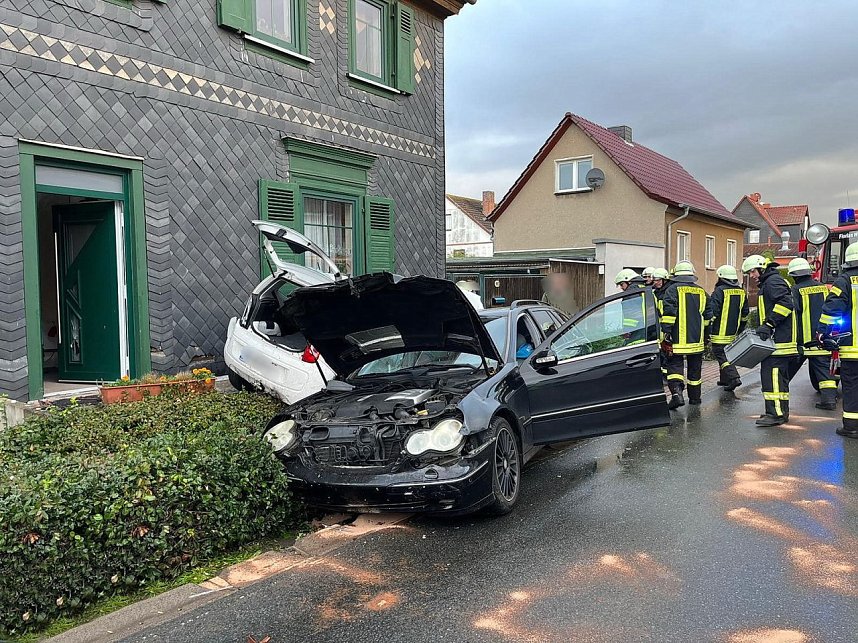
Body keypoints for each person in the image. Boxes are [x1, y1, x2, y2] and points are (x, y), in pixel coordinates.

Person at [741, 254, 797, 427]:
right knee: (778, 380)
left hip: (778, 342)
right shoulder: (772, 282)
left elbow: (786, 303)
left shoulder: (772, 283)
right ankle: (779, 411)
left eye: (752, 271)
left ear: (761, 268)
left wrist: (769, 324)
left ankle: (776, 414)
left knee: (772, 378)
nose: (752, 276)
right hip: (779, 340)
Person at [817, 241, 858, 439]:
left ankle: (851, 426)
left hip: (853, 349)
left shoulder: (844, 281)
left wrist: (823, 333)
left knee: (851, 386)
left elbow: (832, 310)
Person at [786, 257, 837, 411]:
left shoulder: (796, 290)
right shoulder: (822, 287)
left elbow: (794, 312)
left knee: (786, 370)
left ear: (795, 276)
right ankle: (829, 401)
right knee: (824, 372)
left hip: (803, 340)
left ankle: (777, 398)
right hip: (821, 337)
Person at [660, 260, 710, 409]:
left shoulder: (672, 290)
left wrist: (666, 333)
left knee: (674, 367)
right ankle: (695, 399)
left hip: (677, 340)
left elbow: (669, 314)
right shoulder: (702, 291)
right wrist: (706, 335)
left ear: (676, 275)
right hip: (696, 340)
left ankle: (677, 395)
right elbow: (708, 317)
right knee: (695, 370)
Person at [705, 265, 749, 391]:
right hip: (733, 332)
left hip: (719, 332)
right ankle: (724, 380)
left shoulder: (719, 291)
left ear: (721, 277)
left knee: (721, 355)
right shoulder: (741, 291)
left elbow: (713, 312)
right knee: (728, 354)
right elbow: (745, 314)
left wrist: (708, 329)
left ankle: (734, 378)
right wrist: (740, 329)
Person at [651, 268, 671, 379]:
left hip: (666, 327)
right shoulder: (657, 292)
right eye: (655, 280)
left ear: (664, 280)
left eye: (658, 280)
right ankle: (664, 375)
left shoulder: (668, 292)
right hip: (660, 327)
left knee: (667, 353)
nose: (656, 282)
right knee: (662, 352)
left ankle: (667, 376)